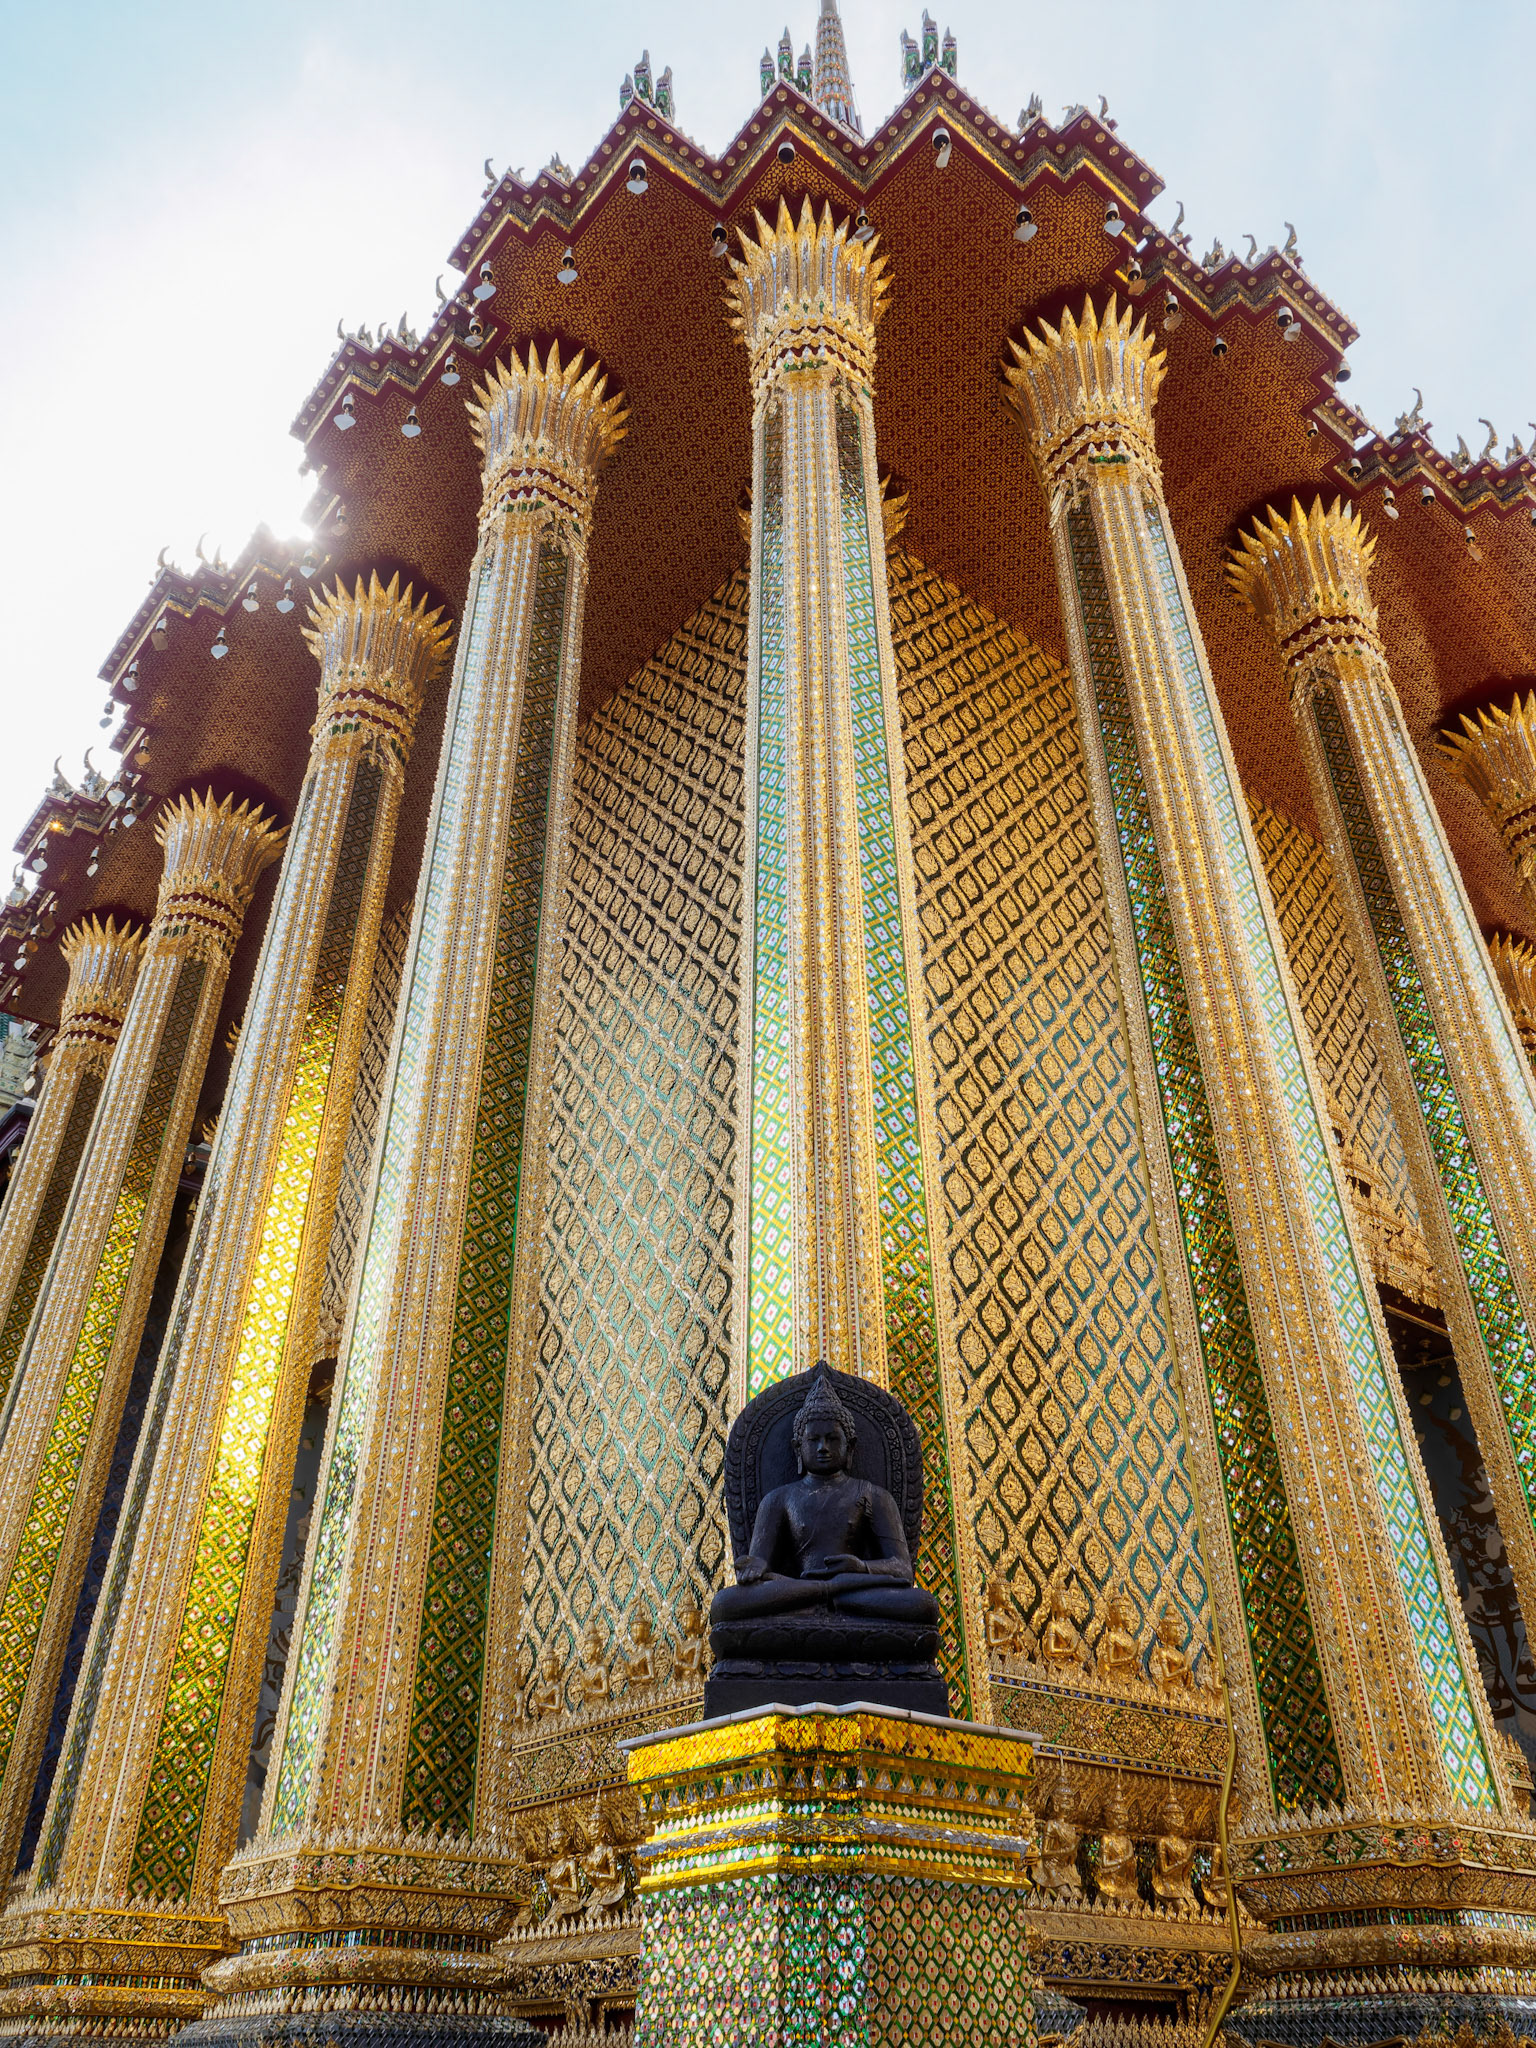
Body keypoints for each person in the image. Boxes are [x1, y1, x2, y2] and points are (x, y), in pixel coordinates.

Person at [710, 1369, 939, 1631]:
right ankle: (823, 1591)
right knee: (724, 1605)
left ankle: (824, 1592)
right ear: (798, 1447)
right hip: (800, 1592)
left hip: (853, 1593)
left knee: (923, 1604)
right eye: (814, 1440)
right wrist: (756, 1568)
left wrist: (860, 1568)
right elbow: (761, 1563)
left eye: (832, 1439)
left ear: (850, 1446)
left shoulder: (872, 1496)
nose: (823, 1447)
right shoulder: (779, 1499)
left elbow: (902, 1569)